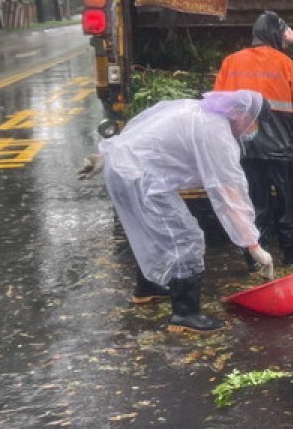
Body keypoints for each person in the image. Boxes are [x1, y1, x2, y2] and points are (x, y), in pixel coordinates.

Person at [88, 90, 275, 333]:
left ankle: (147, 289)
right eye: (254, 121)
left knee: (155, 233)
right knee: (185, 237)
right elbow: (230, 195)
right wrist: (253, 245)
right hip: (139, 178)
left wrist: (108, 155)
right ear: (240, 113)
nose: (253, 128)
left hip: (125, 169)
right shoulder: (215, 132)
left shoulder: (198, 109)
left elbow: (144, 127)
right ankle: (185, 313)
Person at [214, 11, 293, 270]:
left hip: (244, 149)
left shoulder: (230, 62)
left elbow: (216, 107)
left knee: (253, 205)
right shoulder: (285, 64)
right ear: (275, 36)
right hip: (281, 149)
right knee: (290, 205)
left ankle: (254, 261)